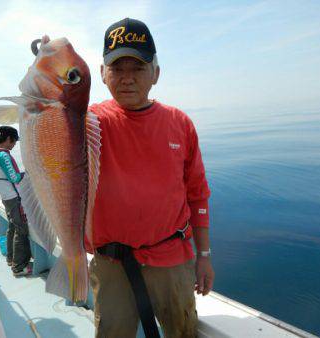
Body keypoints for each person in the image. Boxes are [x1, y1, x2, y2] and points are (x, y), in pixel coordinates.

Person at [86, 18, 215, 338]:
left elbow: (198, 194)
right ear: (102, 73)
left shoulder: (179, 123)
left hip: (172, 260)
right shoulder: (89, 123)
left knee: (182, 331)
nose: (127, 79)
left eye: (138, 68)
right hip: (111, 264)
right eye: (117, 68)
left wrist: (204, 256)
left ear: (156, 73)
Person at [0, 126, 32, 276]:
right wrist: (28, 173)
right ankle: (19, 267)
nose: (14, 145)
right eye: (14, 141)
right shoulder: (3, 156)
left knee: (12, 227)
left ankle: (10, 258)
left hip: (5, 197)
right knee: (21, 230)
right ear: (8, 139)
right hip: (13, 198)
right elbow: (14, 177)